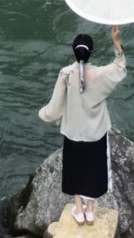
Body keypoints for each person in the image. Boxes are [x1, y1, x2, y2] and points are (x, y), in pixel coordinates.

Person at [38, 23, 125, 224]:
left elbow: (55, 106)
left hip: (73, 133)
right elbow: (120, 67)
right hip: (97, 134)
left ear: (73, 52)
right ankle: (90, 210)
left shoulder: (66, 74)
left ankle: (78, 210)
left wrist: (45, 114)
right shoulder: (101, 74)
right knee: (94, 171)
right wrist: (116, 42)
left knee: (75, 171)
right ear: (91, 53)